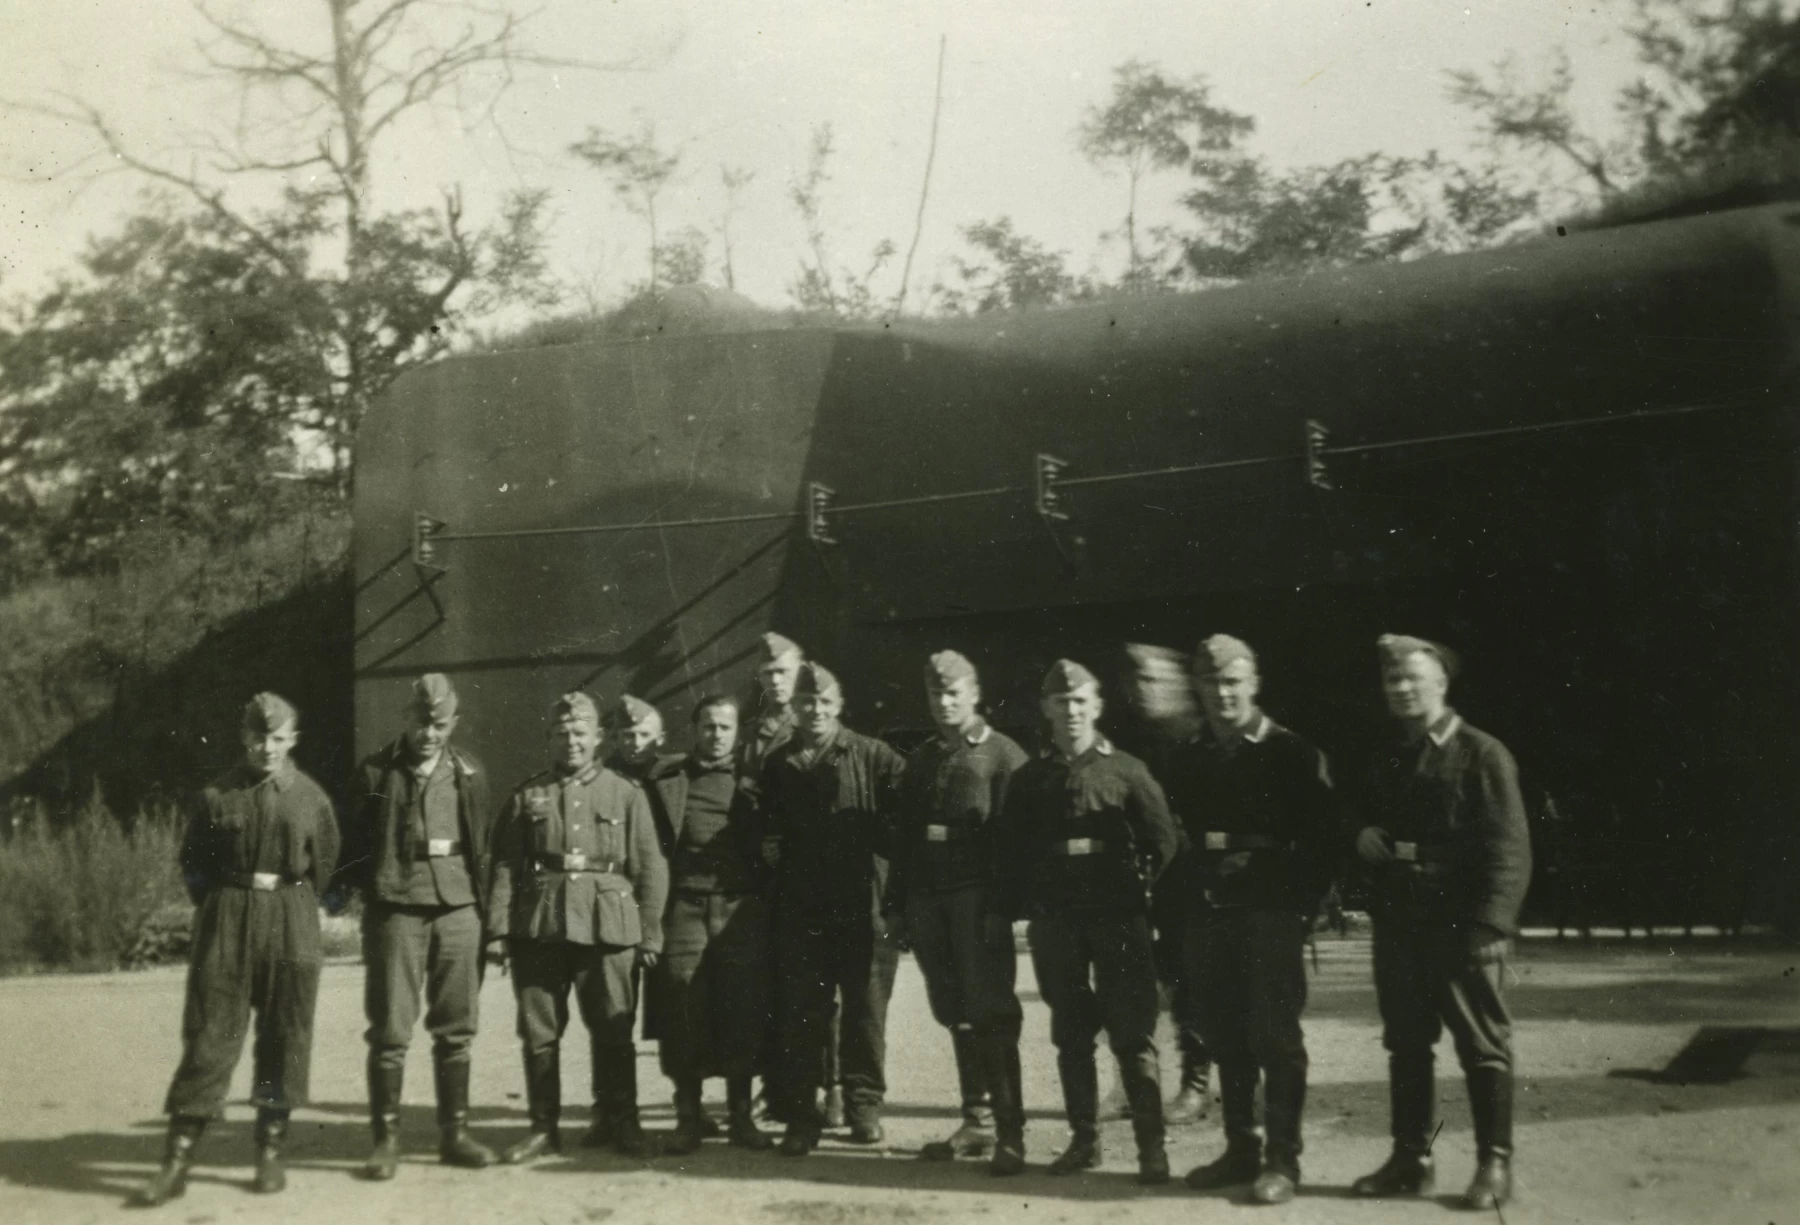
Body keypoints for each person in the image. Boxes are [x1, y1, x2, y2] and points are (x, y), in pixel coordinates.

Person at [135, 693, 340, 1206]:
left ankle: (270, 1150)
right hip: (227, 913)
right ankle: (177, 1160)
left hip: (290, 916)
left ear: (291, 740)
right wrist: (225, 907)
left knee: (285, 1032)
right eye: (257, 737)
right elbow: (194, 866)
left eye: (276, 738)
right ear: (243, 737)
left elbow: (325, 866)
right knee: (210, 1036)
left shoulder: (310, 798)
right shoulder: (217, 796)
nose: (266, 748)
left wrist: (287, 904)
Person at [1350, 635, 1531, 1211]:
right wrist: (1361, 833)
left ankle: (1493, 1164)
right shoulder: (1387, 754)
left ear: (1442, 685)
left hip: (1463, 926)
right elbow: (1364, 811)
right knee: (1407, 1045)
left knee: (1483, 1047)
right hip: (1401, 923)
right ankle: (1413, 1158)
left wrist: (1491, 925)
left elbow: (1509, 849)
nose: (1400, 690)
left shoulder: (1482, 754)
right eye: (1391, 682)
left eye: (1413, 680)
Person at [992, 660, 1179, 1184]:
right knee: (1070, 1031)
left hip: (1117, 917)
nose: (1071, 711)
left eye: (1080, 702)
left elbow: (1164, 843)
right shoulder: (1031, 779)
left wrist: (1144, 898)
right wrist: (1020, 908)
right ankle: (1085, 1141)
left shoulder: (1127, 770)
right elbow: (1012, 851)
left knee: (1132, 1031)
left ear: (1096, 707)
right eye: (1060, 702)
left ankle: (1151, 1147)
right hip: (1057, 923)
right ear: (1047, 710)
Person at [1163, 636, 1333, 1205]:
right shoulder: (1189, 755)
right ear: (1199, 690)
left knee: (1275, 1038)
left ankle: (1283, 1161)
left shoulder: (1290, 752)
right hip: (1209, 911)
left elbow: (1321, 840)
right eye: (1212, 683)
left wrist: (1297, 914)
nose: (1224, 693)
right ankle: (1241, 1150)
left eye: (1234, 681)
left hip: (1270, 909)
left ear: (1253, 684)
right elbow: (1175, 836)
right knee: (1224, 1034)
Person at [485, 692, 669, 1163]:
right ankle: (544, 1129)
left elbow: (650, 866)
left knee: (613, 1026)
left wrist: (649, 932)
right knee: (540, 1031)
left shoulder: (625, 793)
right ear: (549, 738)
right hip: (541, 925)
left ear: (598, 738)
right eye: (562, 733)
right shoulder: (528, 794)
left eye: (580, 733)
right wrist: (499, 930)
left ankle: (621, 1122)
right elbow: (506, 863)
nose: (571, 741)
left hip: (609, 924)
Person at [342, 673, 498, 1179]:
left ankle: (455, 1134)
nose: (429, 733)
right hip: (397, 906)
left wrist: (485, 911)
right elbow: (352, 844)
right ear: (406, 718)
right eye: (421, 722)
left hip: (458, 907)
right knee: (390, 1028)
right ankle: (385, 1141)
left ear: (453, 722)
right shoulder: (374, 772)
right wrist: (371, 891)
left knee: (457, 1027)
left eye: (440, 724)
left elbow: (482, 844)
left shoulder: (470, 771)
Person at [886, 651, 1030, 1174]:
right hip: (928, 899)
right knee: (954, 1010)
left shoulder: (1003, 755)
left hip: (976, 898)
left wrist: (1002, 907)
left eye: (953, 693)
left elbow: (1015, 843)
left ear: (974, 694)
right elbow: (904, 840)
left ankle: (1010, 1133)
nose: (944, 704)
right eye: (935, 695)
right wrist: (897, 906)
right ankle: (976, 1121)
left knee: (990, 1010)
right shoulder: (923, 759)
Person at [761, 661, 906, 1156]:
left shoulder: (873, 756)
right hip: (804, 909)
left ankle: (864, 1106)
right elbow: (766, 821)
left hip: (863, 906)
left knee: (865, 1011)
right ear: (793, 708)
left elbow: (908, 809)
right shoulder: (779, 764)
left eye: (823, 702)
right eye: (805, 702)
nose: (814, 710)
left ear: (838, 705)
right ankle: (804, 1116)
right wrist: (771, 843)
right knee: (805, 1014)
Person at [646, 695, 776, 1153]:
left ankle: (741, 1117)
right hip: (684, 907)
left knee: (741, 1007)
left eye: (725, 727)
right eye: (708, 726)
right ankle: (688, 1117)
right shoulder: (667, 779)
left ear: (737, 732)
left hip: (740, 910)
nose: (716, 734)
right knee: (684, 1004)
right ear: (694, 729)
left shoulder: (754, 782)